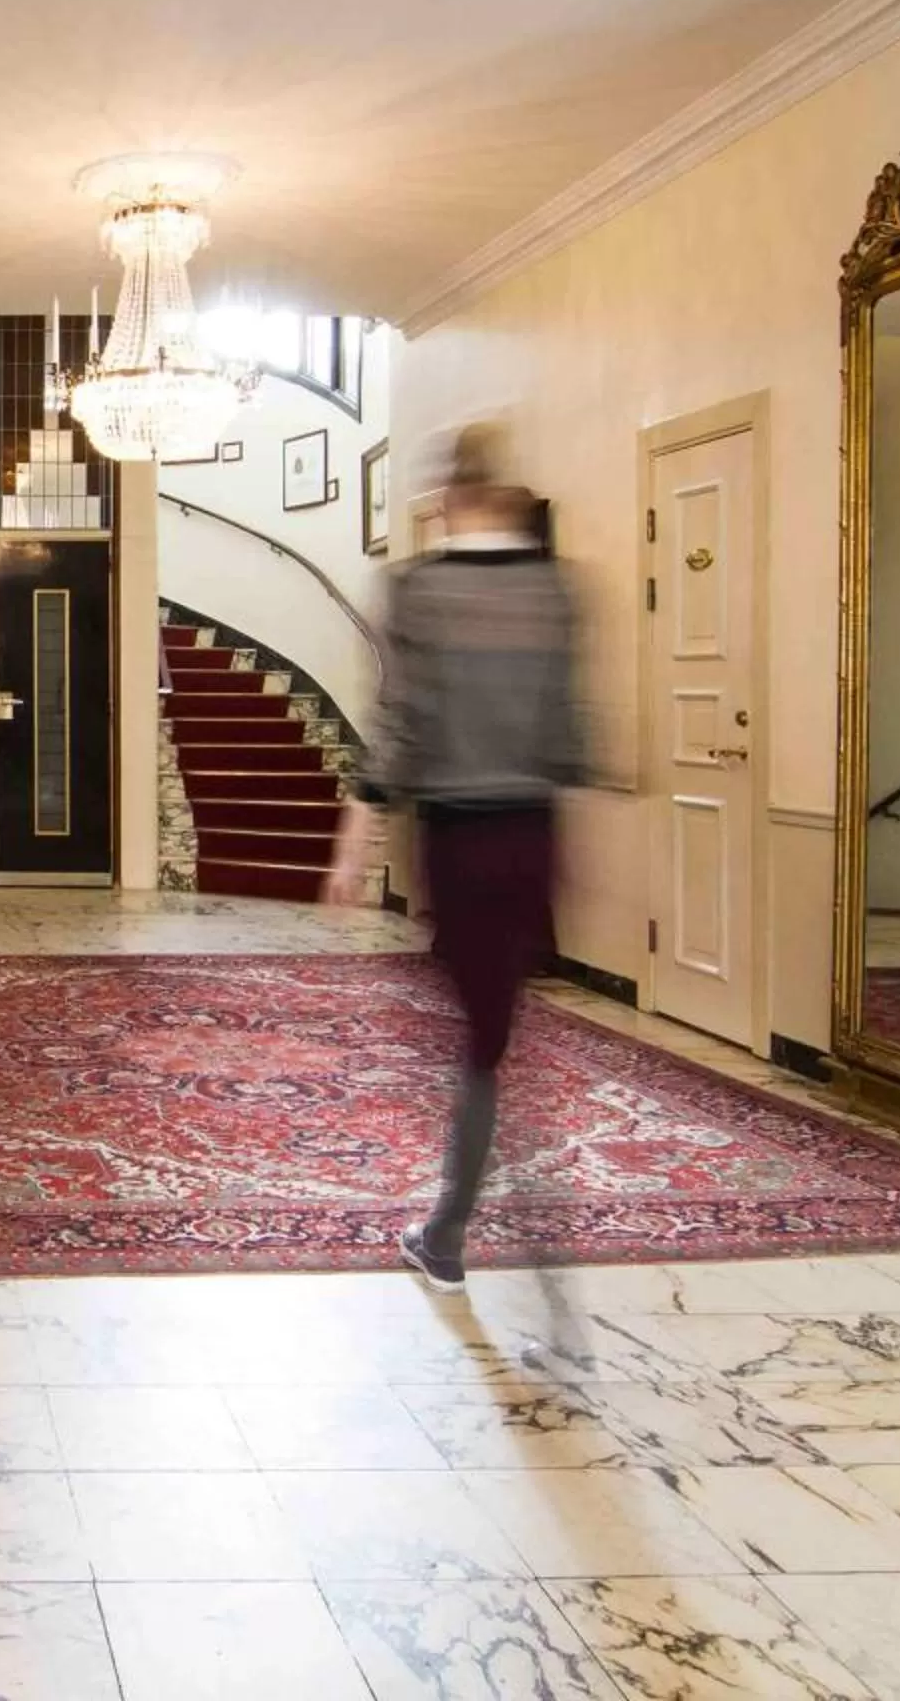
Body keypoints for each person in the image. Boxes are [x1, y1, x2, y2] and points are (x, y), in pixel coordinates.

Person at [324, 422, 583, 1293]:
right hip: (533, 833)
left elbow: (403, 717)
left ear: (449, 502)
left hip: (460, 836)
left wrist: (356, 837)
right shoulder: (557, 590)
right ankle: (464, 1208)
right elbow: (569, 732)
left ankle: (449, 1229)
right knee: (491, 1025)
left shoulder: (419, 589)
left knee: (479, 1039)